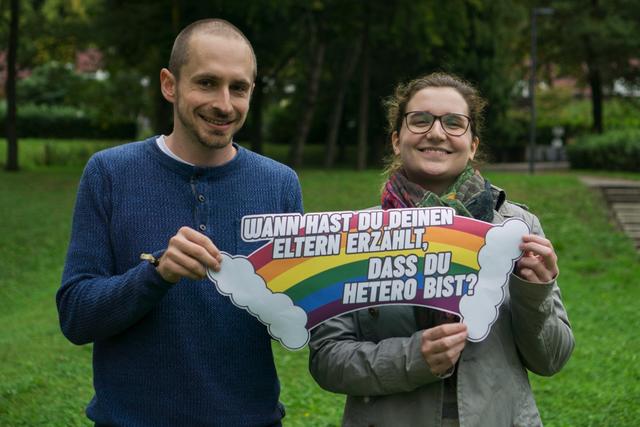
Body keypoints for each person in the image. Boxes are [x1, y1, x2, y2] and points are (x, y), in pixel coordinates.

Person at [57, 19, 302, 426]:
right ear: (170, 85)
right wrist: (155, 273)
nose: (225, 104)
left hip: (250, 419)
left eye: (238, 88)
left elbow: (297, 307)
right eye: (207, 83)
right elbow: (76, 317)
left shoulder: (279, 184)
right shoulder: (109, 173)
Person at [308, 72, 574, 427]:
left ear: (473, 144)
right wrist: (411, 359)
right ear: (396, 139)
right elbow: (327, 360)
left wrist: (533, 293)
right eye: (420, 120)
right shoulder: (356, 237)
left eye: (454, 123)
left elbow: (552, 359)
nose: (436, 132)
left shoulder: (516, 229)